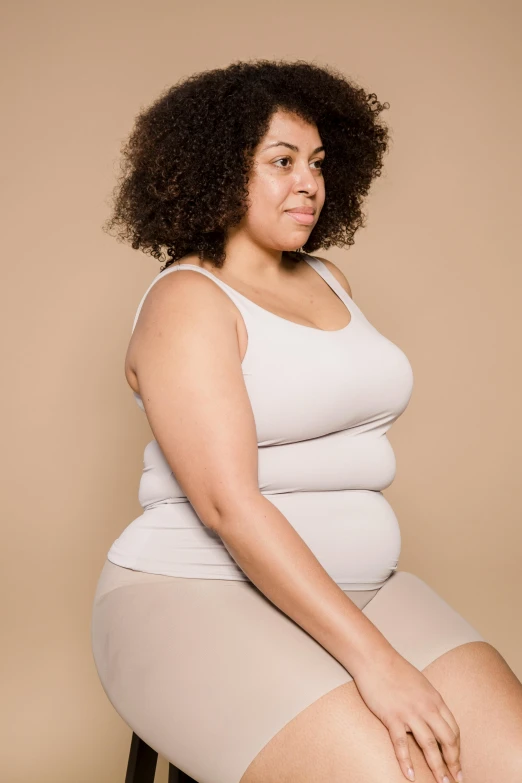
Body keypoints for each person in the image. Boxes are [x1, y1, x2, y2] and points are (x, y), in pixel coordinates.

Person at [91, 60, 522, 783]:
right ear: (218, 171)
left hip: (367, 588)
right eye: (281, 161)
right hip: (191, 597)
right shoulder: (188, 303)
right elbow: (230, 506)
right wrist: (379, 664)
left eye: (318, 163)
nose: (309, 183)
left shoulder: (329, 280)